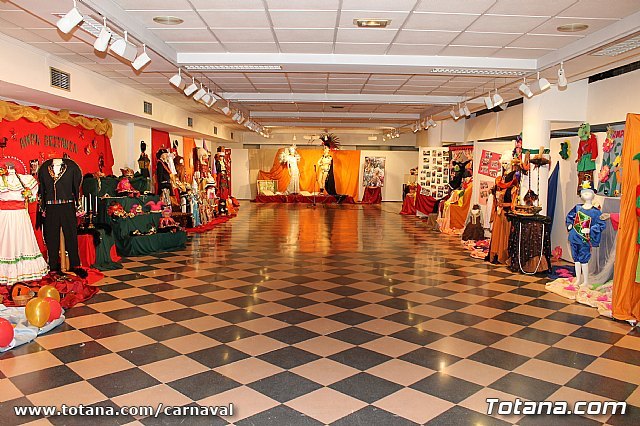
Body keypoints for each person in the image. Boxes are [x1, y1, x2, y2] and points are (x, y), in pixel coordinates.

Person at [38, 156, 87, 278]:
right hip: (51, 206)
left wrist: (77, 204)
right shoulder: (44, 169)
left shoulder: (72, 168)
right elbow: (42, 189)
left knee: (71, 235)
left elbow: (76, 186)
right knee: (51, 237)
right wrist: (42, 206)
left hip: (67, 205)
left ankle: (75, 265)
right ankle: (53, 266)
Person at [0, 163, 49, 285]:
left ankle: (21, 272)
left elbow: (32, 196)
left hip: (19, 215)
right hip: (5, 216)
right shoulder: (2, 180)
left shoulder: (25, 179)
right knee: (6, 241)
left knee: (21, 241)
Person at [566, 180, 607, 288]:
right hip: (574, 236)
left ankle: (585, 280)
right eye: (584, 192)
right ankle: (578, 279)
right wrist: (570, 225)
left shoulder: (596, 212)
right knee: (576, 259)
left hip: (585, 239)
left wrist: (591, 229)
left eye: (589, 191)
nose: (586, 194)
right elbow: (570, 217)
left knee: (584, 259)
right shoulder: (577, 208)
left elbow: (601, 224)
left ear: (593, 194)